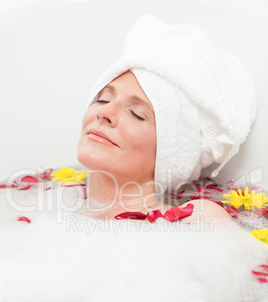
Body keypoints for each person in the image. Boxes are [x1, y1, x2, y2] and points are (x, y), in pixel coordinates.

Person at [77, 15, 257, 223]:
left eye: (137, 114)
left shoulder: (193, 220)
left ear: (170, 153)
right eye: (103, 99)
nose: (105, 112)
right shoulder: (48, 206)